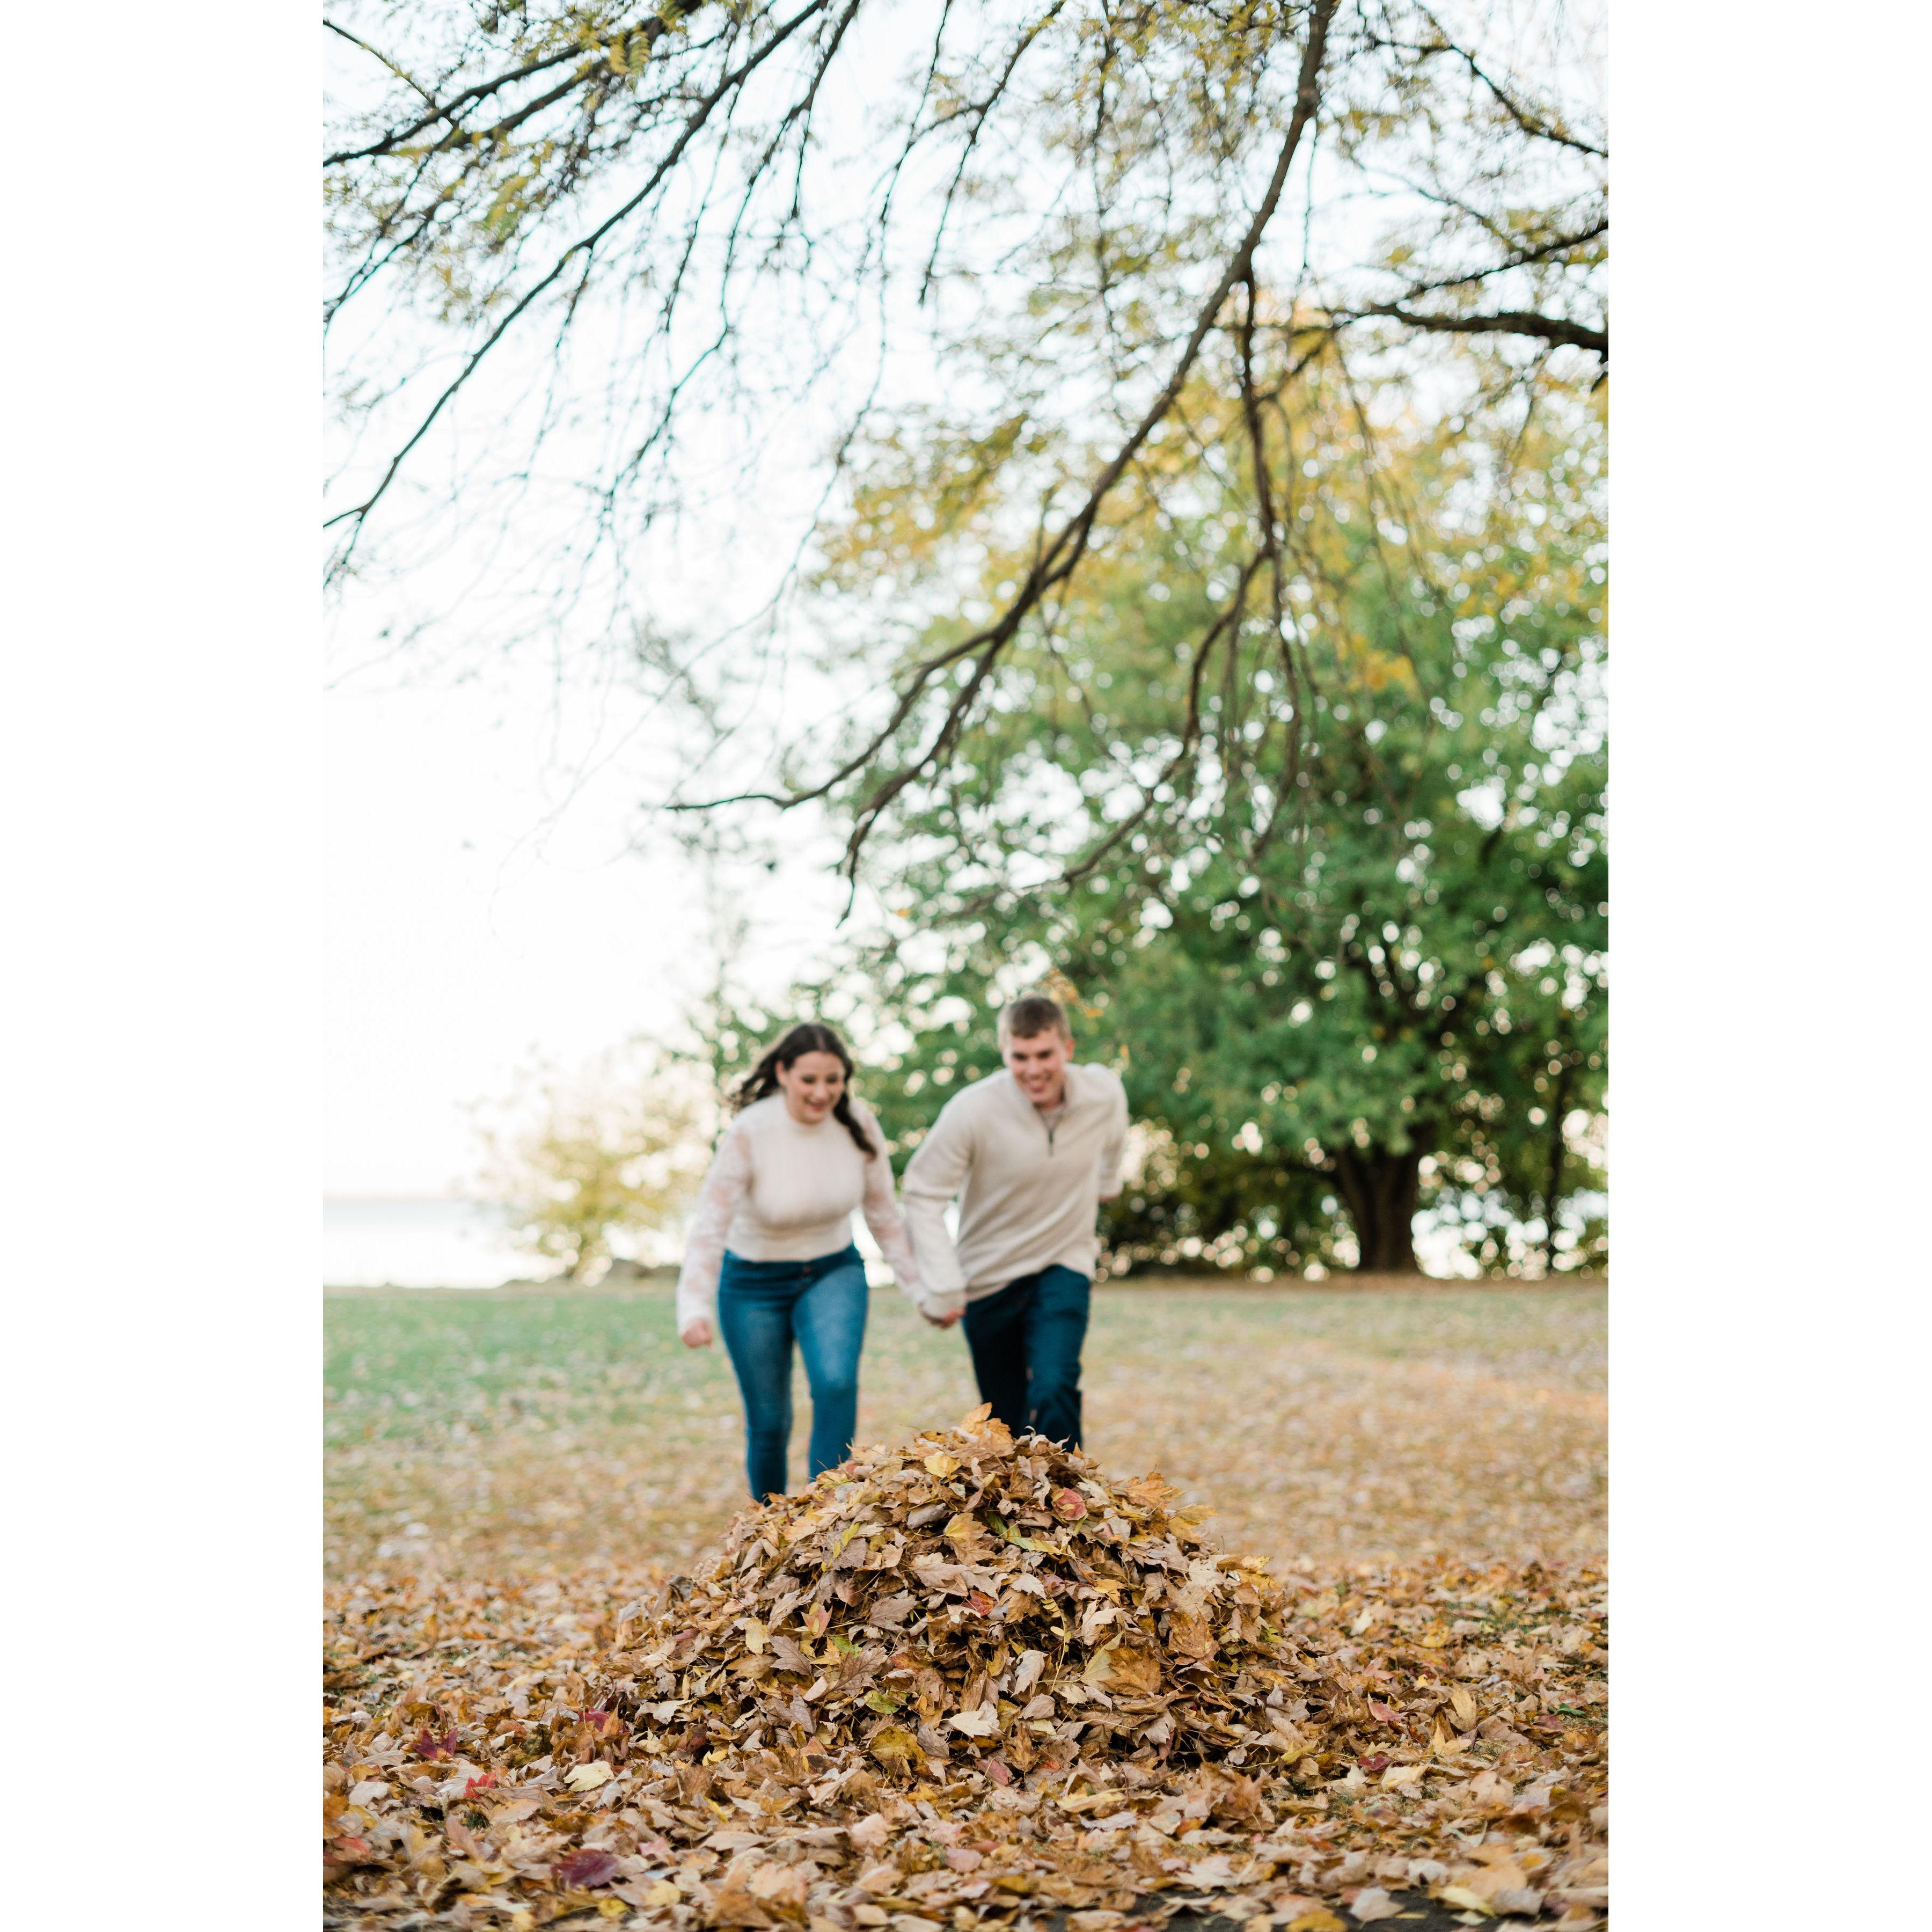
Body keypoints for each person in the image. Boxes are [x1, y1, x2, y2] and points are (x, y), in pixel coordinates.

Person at [677, 1022, 952, 1499]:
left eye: (834, 1079)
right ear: (783, 1073)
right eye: (809, 1080)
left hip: (832, 1271)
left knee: (836, 1383)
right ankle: (768, 1535)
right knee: (768, 1420)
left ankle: (825, 1520)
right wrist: (693, 1306)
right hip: (752, 1283)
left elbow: (885, 1217)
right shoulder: (751, 1131)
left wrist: (923, 1292)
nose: (822, 1093)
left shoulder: (858, 1126)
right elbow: (710, 1223)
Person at [901, 992, 1128, 1447]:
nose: (1033, 1069)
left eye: (1044, 1054)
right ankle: (1021, 1515)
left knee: (1054, 1387)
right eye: (1019, 1057)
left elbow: (1116, 1137)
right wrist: (943, 1284)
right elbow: (922, 1194)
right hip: (988, 1277)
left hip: (1064, 1262)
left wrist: (1109, 1181)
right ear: (1005, 1052)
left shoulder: (1103, 1094)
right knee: (1005, 1423)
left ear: (1067, 1048)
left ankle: (1070, 1508)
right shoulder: (973, 1110)